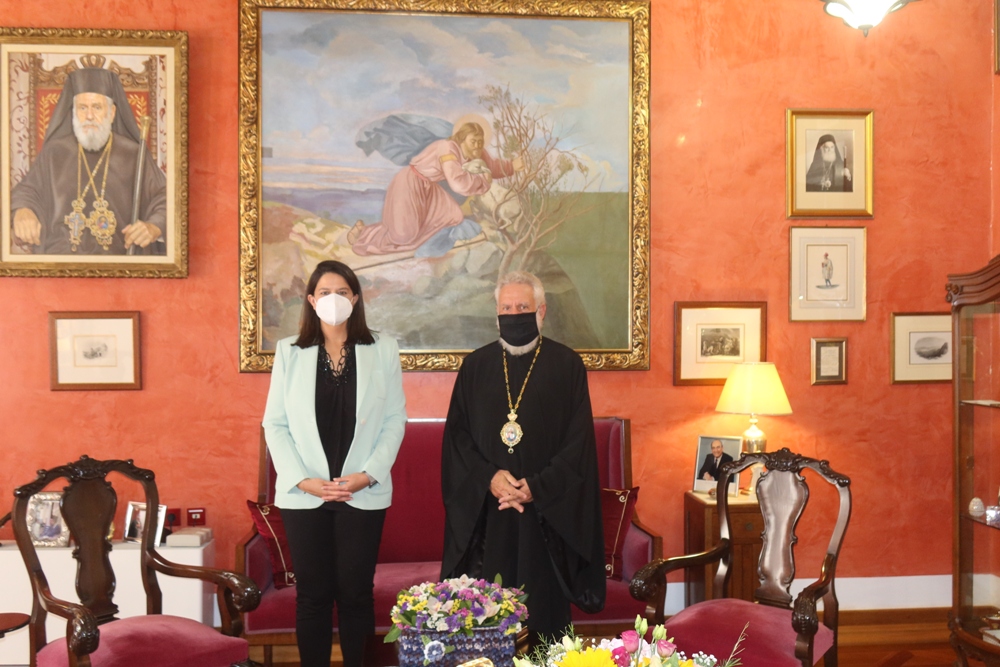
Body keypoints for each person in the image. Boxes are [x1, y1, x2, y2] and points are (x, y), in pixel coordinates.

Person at [440, 271, 606, 643]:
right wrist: (489, 478)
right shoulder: (475, 367)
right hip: (489, 514)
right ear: (496, 313)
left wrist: (537, 486)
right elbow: (457, 440)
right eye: (506, 308)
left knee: (543, 617)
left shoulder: (567, 365)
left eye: (522, 307)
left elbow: (578, 443)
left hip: (547, 516)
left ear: (541, 311)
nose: (514, 315)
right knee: (487, 618)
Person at [262, 260, 406, 667]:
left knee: (357, 595)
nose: (333, 299)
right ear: (311, 300)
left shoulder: (383, 348)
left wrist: (368, 475)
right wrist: (301, 480)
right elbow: (275, 424)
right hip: (305, 494)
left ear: (355, 298)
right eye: (324, 292)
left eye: (342, 292)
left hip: (362, 491)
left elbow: (395, 419)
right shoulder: (290, 351)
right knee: (313, 596)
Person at [10, 61, 167, 255]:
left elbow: (166, 197)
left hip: (118, 260)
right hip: (59, 261)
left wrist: (153, 226)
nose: (89, 116)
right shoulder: (54, 152)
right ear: (73, 113)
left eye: (97, 107)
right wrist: (23, 210)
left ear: (112, 113)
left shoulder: (134, 155)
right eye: (82, 108)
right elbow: (27, 191)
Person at [349, 122, 524, 258]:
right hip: (409, 184)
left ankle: (371, 232)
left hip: (429, 189)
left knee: (452, 216)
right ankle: (363, 236)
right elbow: (457, 183)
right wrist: (482, 181)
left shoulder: (474, 151)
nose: (477, 146)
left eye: (480, 142)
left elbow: (491, 165)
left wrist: (511, 166)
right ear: (462, 139)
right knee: (403, 236)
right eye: (473, 142)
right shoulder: (448, 148)